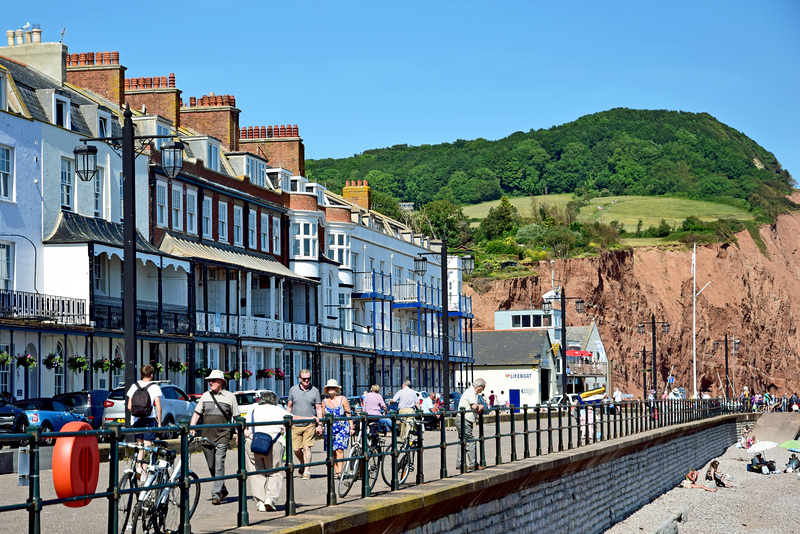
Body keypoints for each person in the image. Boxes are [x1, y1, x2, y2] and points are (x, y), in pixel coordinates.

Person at [189, 369, 239, 505]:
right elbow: (197, 413)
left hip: (223, 434)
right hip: (207, 435)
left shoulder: (230, 397)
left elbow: (237, 417)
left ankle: (216, 494)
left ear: (221, 382)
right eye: (209, 381)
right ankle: (222, 489)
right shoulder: (205, 396)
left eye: (213, 380)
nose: (210, 382)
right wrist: (192, 428)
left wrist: (240, 434)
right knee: (211, 465)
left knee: (219, 464)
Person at [244, 390, 290, 512]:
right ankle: (270, 498)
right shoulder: (279, 410)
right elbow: (291, 421)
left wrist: (249, 435)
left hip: (253, 443)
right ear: (274, 401)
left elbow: (242, 425)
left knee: (256, 472)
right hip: (273, 442)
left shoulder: (253, 410)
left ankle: (260, 502)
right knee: (275, 471)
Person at [126, 364, 163, 480]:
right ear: (151, 375)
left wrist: (137, 413)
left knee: (140, 444)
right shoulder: (154, 387)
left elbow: (129, 406)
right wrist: (159, 423)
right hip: (149, 419)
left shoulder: (134, 386)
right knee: (147, 445)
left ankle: (138, 467)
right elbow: (158, 407)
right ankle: (145, 471)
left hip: (136, 419)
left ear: (141, 374)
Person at [286, 369, 323, 479]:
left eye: (308, 378)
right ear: (300, 379)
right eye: (304, 379)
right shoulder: (293, 390)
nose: (307, 380)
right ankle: (303, 463)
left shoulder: (315, 391)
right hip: (295, 424)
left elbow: (318, 408)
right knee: (296, 449)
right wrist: (285, 422)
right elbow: (289, 407)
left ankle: (307, 471)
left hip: (310, 424)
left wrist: (320, 424)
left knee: (307, 447)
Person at [321, 379, 354, 479]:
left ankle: (339, 471)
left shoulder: (342, 399)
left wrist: (351, 427)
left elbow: (348, 413)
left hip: (342, 427)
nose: (331, 389)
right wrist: (320, 426)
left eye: (333, 388)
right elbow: (322, 416)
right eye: (329, 388)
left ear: (337, 389)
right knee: (332, 451)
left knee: (339, 450)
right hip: (330, 429)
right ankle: (336, 470)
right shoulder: (324, 401)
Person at [455, 378, 486, 472]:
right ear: (479, 386)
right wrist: (480, 406)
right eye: (482, 388)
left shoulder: (471, 392)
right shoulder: (472, 392)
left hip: (462, 418)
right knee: (471, 440)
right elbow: (474, 406)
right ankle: (473, 464)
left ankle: (460, 463)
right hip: (464, 419)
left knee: (462, 440)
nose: (482, 390)